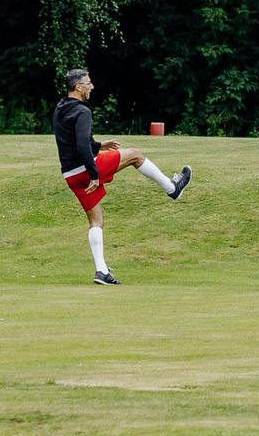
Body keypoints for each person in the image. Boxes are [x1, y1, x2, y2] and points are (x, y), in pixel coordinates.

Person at [53, 68, 191, 285]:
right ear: (78, 87)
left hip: (70, 175)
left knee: (96, 220)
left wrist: (99, 145)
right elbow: (80, 145)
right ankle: (172, 188)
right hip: (86, 169)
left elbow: (72, 141)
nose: (92, 86)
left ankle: (101, 272)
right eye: (88, 83)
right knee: (135, 155)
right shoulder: (82, 112)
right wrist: (94, 174)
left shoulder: (61, 107)